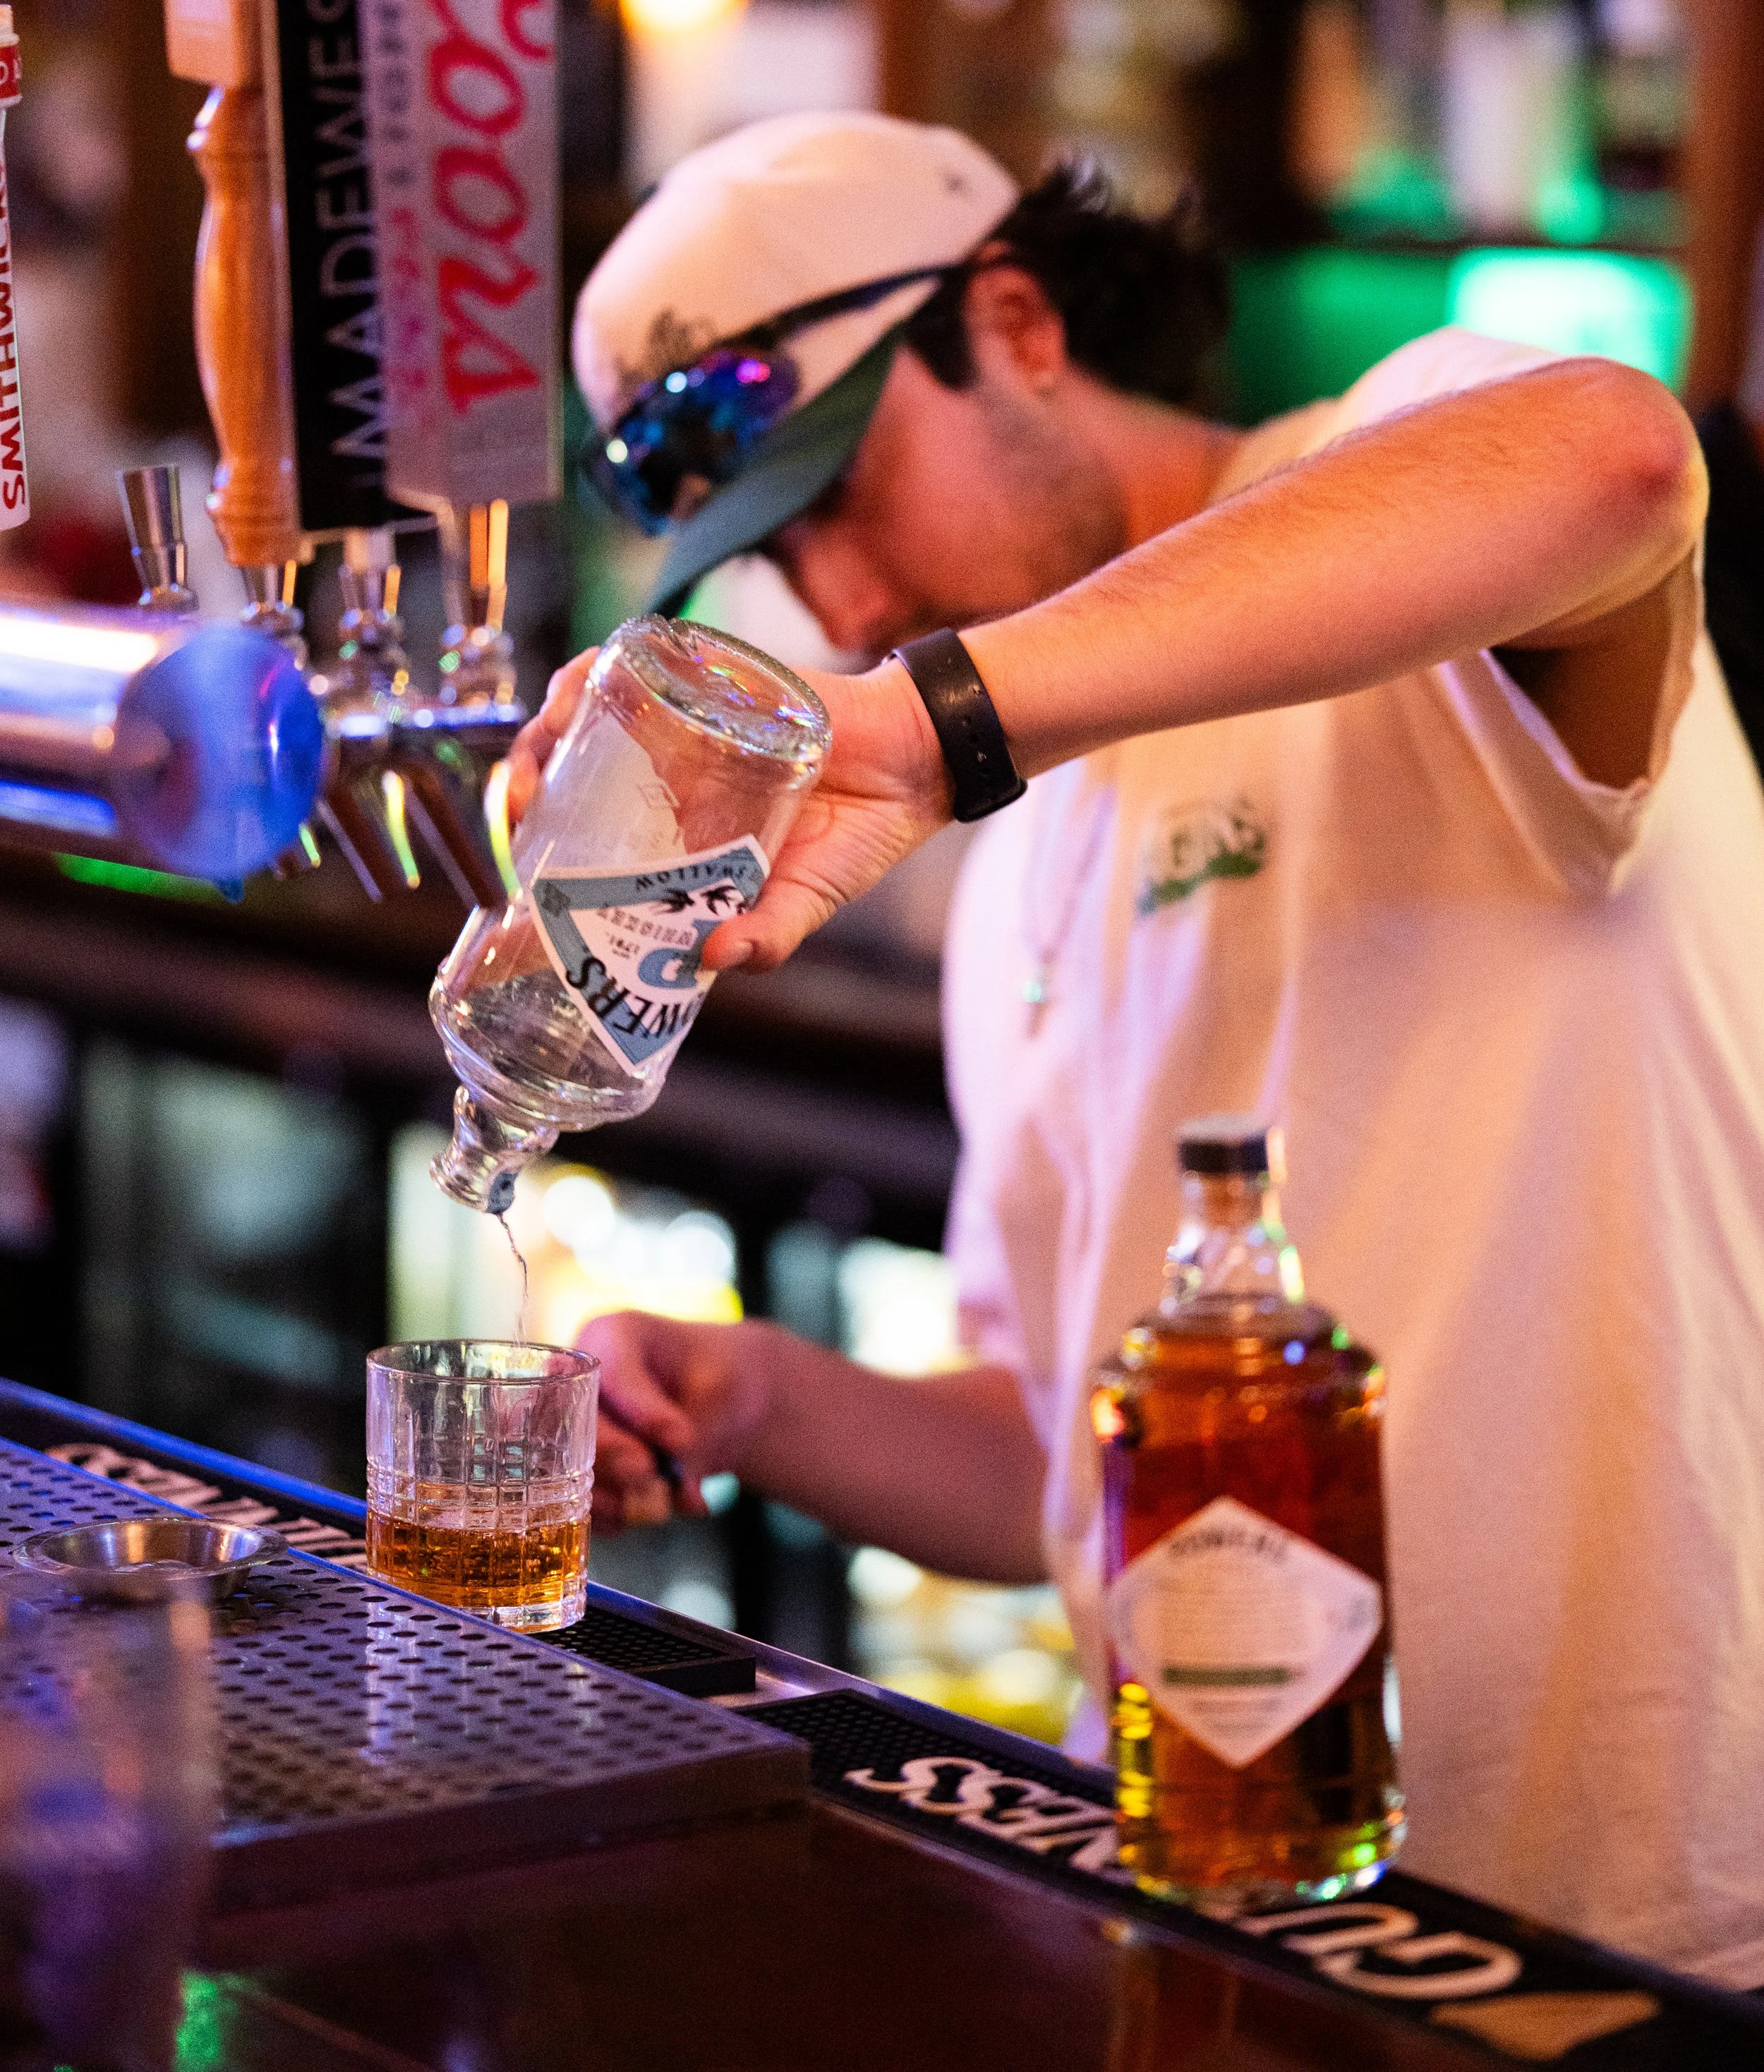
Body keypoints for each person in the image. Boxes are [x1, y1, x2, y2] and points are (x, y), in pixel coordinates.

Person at [512, 110, 1764, 1984]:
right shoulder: (1005, 844)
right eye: (775, 560)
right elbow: (1058, 1457)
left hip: (1606, 1921)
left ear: (1013, 322)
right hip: (1210, 1899)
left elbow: (1610, 459)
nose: (841, 604)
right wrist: (758, 1397)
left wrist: (929, 725)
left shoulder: (1389, 466)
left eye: (841, 495)